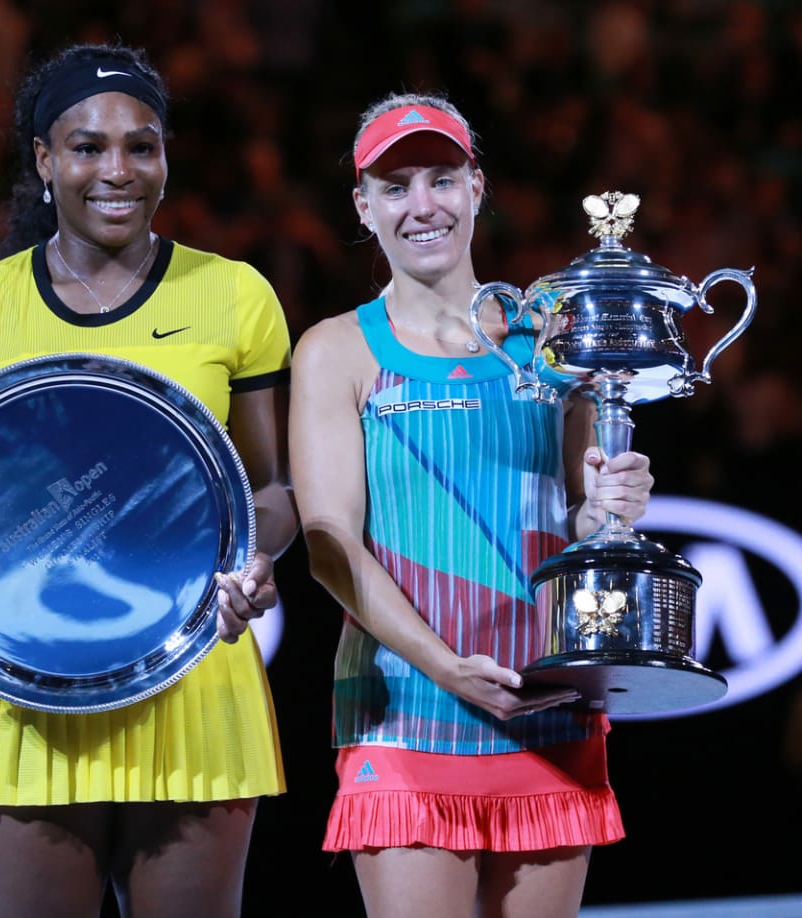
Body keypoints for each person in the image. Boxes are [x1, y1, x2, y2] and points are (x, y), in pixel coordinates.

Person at [0, 42, 297, 918]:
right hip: (21, 693)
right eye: (87, 146)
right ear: (44, 160)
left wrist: (258, 559)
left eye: (141, 146)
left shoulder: (236, 296)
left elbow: (273, 490)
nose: (118, 170)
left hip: (192, 677)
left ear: (167, 156)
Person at [288, 92, 655, 918]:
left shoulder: (554, 332)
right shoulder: (335, 350)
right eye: (396, 185)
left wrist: (614, 509)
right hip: (404, 709)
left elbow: (583, 524)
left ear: (477, 188)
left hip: (548, 701)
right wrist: (445, 667)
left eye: (441, 178)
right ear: (364, 207)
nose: (423, 205)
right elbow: (327, 541)